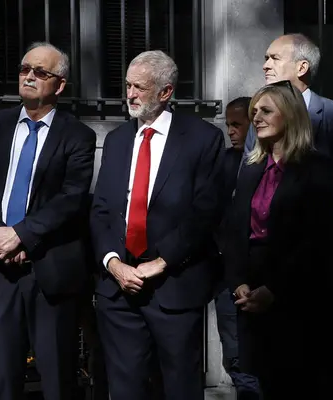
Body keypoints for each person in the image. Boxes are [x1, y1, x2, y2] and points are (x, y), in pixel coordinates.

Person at [0, 42, 96, 400]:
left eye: (41, 72)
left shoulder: (78, 135)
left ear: (60, 84)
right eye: (24, 70)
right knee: (1, 381)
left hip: (48, 269)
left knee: (57, 381)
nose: (30, 77)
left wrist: (20, 236)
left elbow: (71, 198)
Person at [90, 50, 225, 400]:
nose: (130, 94)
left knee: (179, 388)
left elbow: (204, 212)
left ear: (165, 92)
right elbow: (102, 209)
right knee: (124, 390)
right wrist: (113, 263)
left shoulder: (202, 138)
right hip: (119, 289)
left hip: (174, 287)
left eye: (139, 87)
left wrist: (161, 261)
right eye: (127, 86)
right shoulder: (119, 139)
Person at [244, 33, 333, 396]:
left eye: (274, 58)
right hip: (264, 271)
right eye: (264, 57)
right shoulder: (259, 116)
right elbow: (248, 187)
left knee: (320, 372)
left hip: (316, 271)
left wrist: (311, 248)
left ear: (302, 66)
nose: (265, 64)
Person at [225, 80, 333, 399]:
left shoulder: (318, 168)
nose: (257, 118)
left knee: (297, 384)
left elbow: (316, 238)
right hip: (250, 290)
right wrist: (237, 281)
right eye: (254, 112)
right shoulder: (251, 167)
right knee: (262, 383)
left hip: (294, 293)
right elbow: (235, 228)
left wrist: (275, 289)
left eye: (265, 110)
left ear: (289, 115)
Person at [213, 96, 261, 399]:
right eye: (227, 125)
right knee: (234, 353)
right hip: (227, 273)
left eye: (237, 125)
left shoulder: (266, 163)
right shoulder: (225, 161)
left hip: (260, 272)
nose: (230, 131)